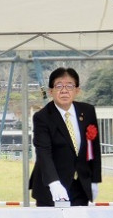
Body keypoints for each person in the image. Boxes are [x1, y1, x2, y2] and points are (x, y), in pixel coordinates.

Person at [30, 67, 101, 206]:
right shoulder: (42, 117)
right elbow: (43, 152)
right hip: (51, 187)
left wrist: (94, 179)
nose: (64, 90)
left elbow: (94, 148)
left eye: (69, 86)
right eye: (59, 86)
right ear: (51, 91)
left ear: (77, 90)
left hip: (81, 185)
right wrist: (54, 183)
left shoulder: (87, 111)